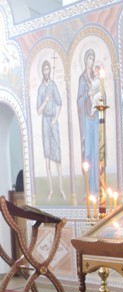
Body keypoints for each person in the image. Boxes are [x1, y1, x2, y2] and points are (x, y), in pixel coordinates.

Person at [36, 59, 64, 201]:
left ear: (49, 71)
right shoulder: (41, 88)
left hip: (53, 121)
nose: (46, 72)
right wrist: (46, 101)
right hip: (45, 122)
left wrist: (55, 119)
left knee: (57, 156)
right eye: (44, 69)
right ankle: (51, 190)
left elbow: (60, 103)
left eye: (48, 69)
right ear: (42, 71)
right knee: (47, 155)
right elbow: (38, 111)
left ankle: (61, 188)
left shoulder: (53, 85)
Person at [77, 49, 100, 197]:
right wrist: (87, 94)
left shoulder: (96, 77)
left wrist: (98, 96)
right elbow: (79, 100)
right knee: (89, 152)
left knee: (96, 151)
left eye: (93, 58)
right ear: (85, 60)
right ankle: (88, 189)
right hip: (86, 117)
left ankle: (97, 188)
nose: (91, 62)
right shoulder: (82, 79)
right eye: (89, 58)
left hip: (95, 117)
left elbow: (102, 95)